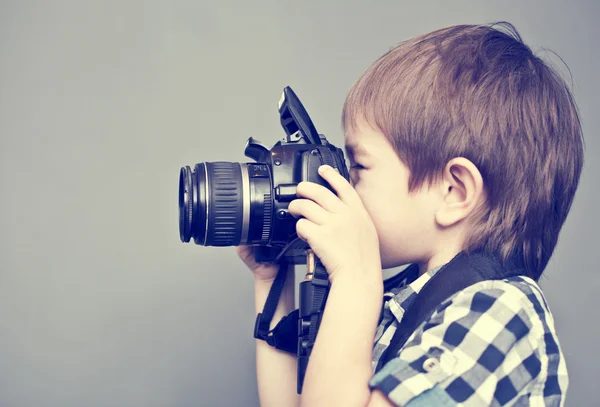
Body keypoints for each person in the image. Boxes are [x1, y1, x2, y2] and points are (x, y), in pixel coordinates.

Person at [237, 22, 583, 407]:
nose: (344, 185)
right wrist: (272, 281)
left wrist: (356, 280)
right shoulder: (398, 306)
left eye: (359, 167)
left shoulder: (499, 313)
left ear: (454, 192)